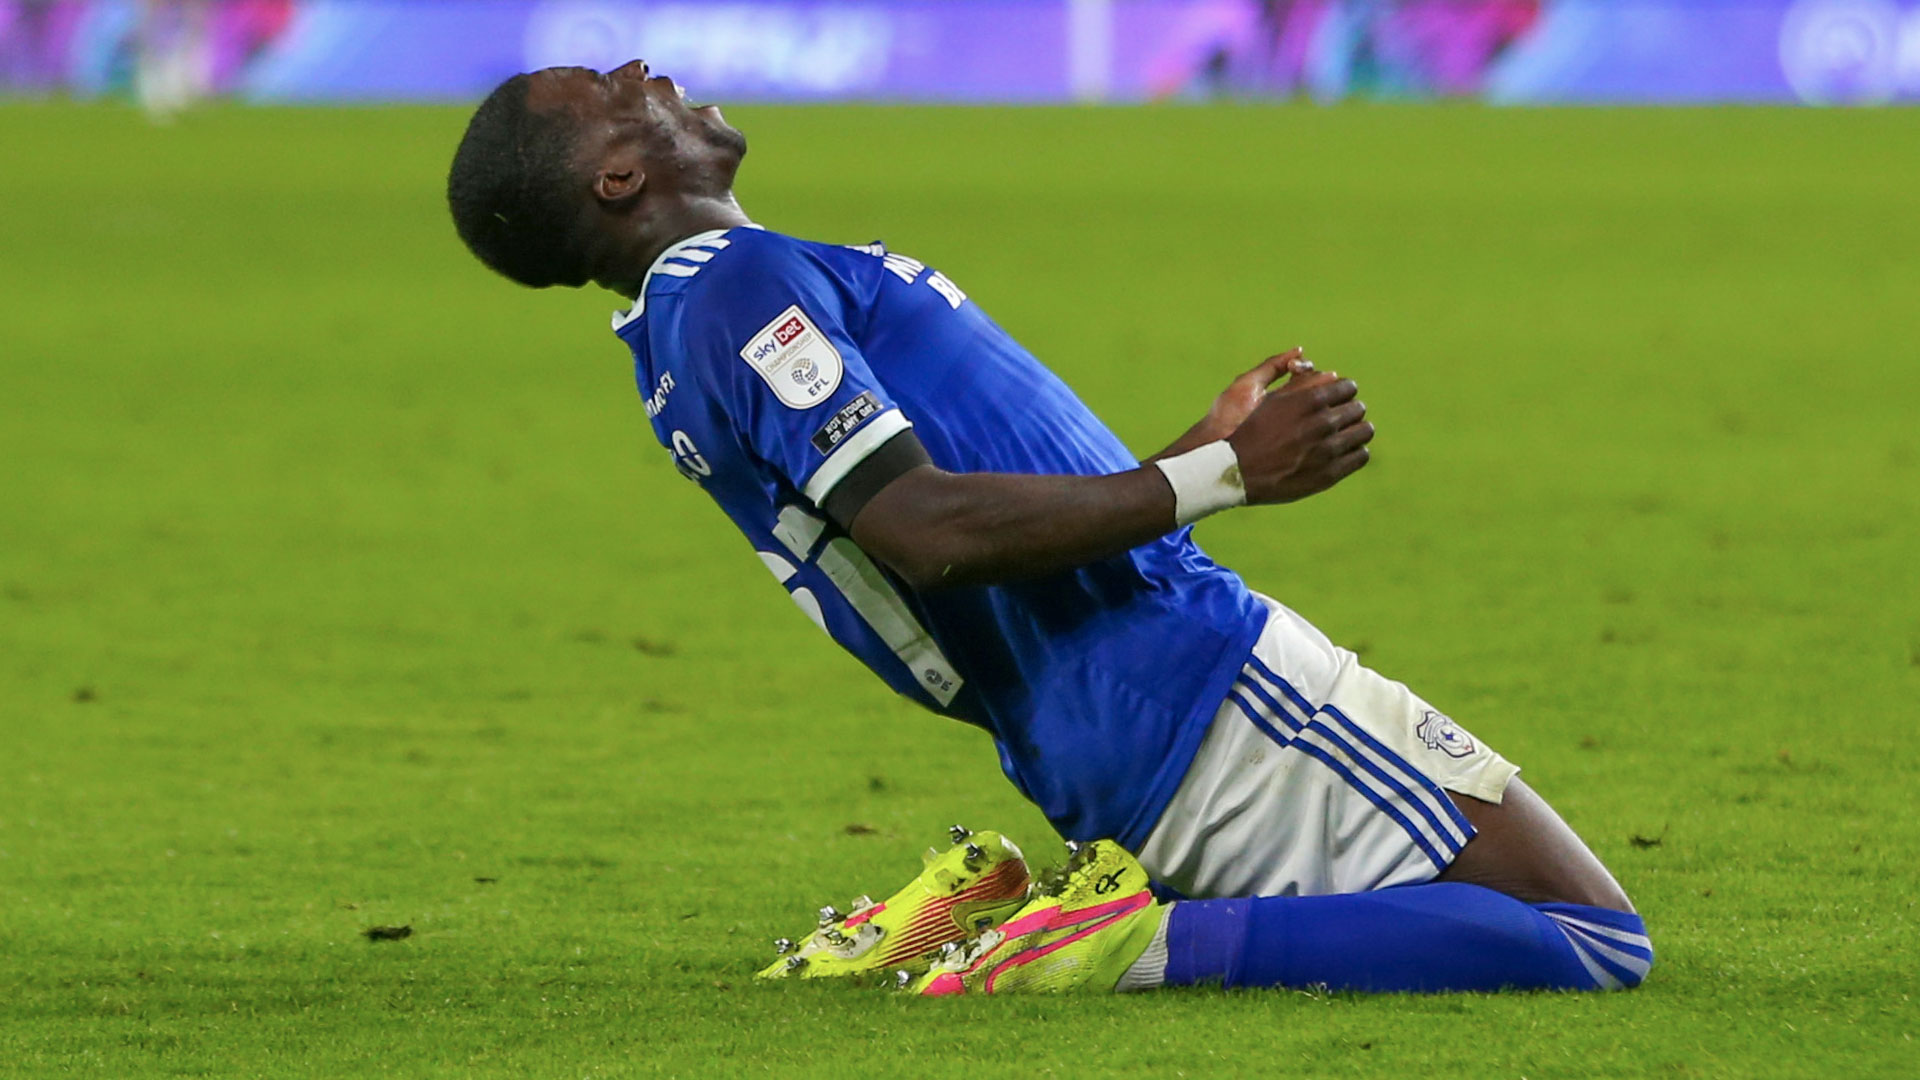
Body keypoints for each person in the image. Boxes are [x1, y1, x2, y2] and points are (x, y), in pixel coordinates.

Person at [444, 60, 1652, 995]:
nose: (645, 72)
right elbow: (920, 527)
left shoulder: (695, 320)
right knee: (1589, 936)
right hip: (1188, 681)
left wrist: (1178, 457)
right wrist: (1223, 477)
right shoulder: (734, 288)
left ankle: (1037, 917)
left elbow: (943, 511)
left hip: (1106, 706)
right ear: (615, 180)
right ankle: (1114, 943)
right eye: (612, 93)